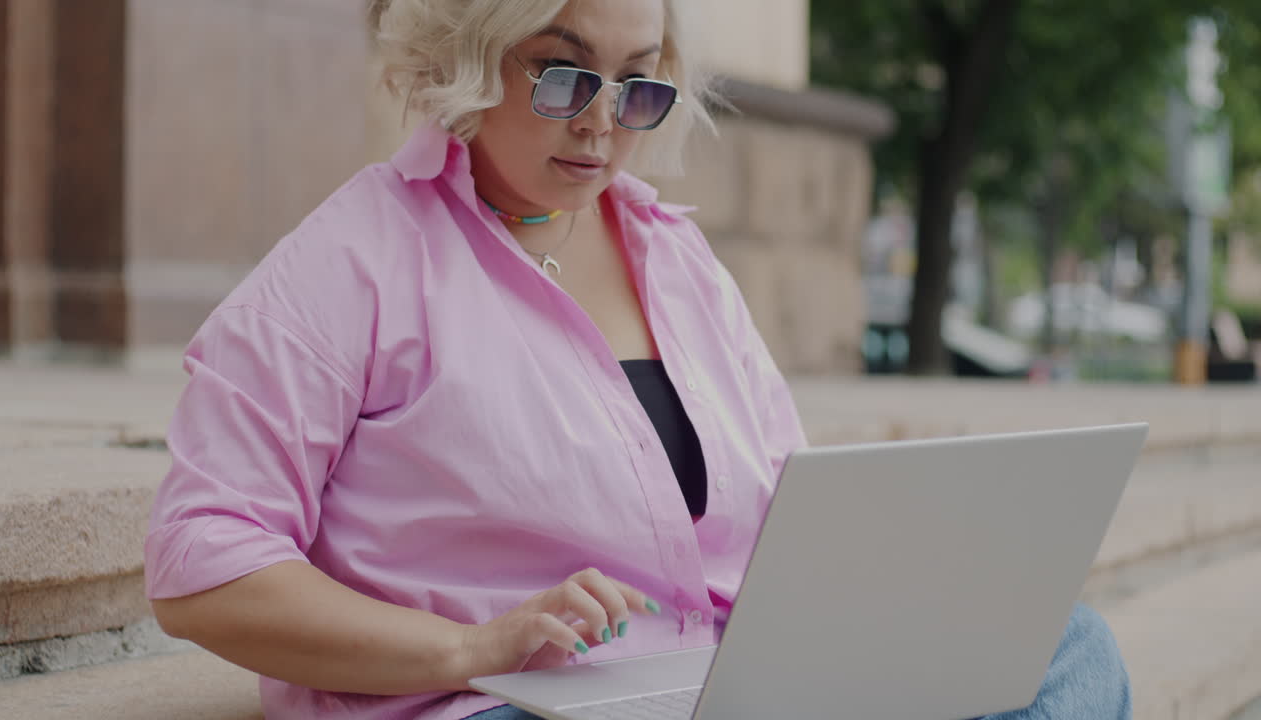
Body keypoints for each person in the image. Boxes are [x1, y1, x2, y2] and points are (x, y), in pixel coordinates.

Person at [143, 1, 1132, 718]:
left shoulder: (675, 256)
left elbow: (791, 510)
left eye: (639, 82)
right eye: (564, 72)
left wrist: (871, 606)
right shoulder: (350, 263)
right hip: (511, 707)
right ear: (472, 54)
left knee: (1065, 645)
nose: (602, 119)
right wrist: (472, 649)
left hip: (726, 682)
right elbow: (203, 563)